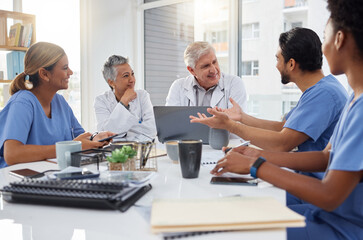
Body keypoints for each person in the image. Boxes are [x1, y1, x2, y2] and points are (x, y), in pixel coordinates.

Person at [211, 0, 363, 239]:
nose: (323, 48)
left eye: (325, 37)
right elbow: (325, 156)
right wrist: (256, 155)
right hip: (328, 211)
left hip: (342, 224)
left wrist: (256, 165)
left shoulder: (337, 97)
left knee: (239, 224)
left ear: (340, 39)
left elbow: (328, 191)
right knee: (240, 210)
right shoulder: (353, 99)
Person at [191, 28, 347, 162]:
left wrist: (229, 125)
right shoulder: (321, 90)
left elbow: (282, 143)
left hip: (316, 182)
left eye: (278, 59)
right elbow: (282, 128)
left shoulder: (323, 94)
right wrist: (242, 117)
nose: (276, 65)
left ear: (291, 64)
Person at [0, 42, 114, 168]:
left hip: (50, 175)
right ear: (44, 74)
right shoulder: (22, 103)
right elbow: (12, 154)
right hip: (15, 180)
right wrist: (69, 147)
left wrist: (95, 138)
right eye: (65, 68)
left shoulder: (60, 102)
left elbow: (80, 139)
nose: (70, 72)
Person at [166, 41, 247, 110]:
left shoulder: (234, 83)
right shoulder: (178, 86)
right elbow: (171, 122)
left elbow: (237, 123)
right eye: (206, 66)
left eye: (214, 62)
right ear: (192, 70)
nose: (214, 70)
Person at [94, 55, 157, 142]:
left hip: (141, 149)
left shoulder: (142, 96)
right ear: (111, 82)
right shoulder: (101, 101)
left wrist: (122, 133)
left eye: (132, 74)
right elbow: (106, 135)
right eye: (126, 76)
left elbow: (151, 129)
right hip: (114, 153)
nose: (132, 80)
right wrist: (124, 102)